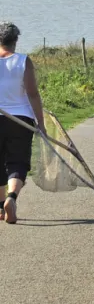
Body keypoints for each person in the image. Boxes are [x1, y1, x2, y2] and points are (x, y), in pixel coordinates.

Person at [0, 23, 46, 224]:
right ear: (15, 40)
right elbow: (33, 94)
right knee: (17, 162)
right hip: (21, 119)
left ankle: (2, 206)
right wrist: (40, 123)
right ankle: (11, 198)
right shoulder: (23, 61)